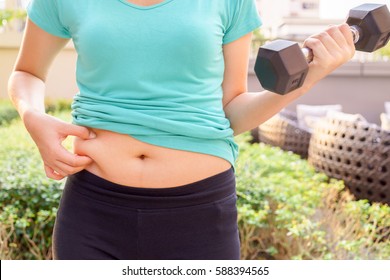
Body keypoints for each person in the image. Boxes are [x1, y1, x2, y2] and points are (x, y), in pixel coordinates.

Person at [8, 0, 355, 260]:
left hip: (200, 214)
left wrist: (306, 79)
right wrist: (32, 116)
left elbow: (233, 109)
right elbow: (27, 72)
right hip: (95, 208)